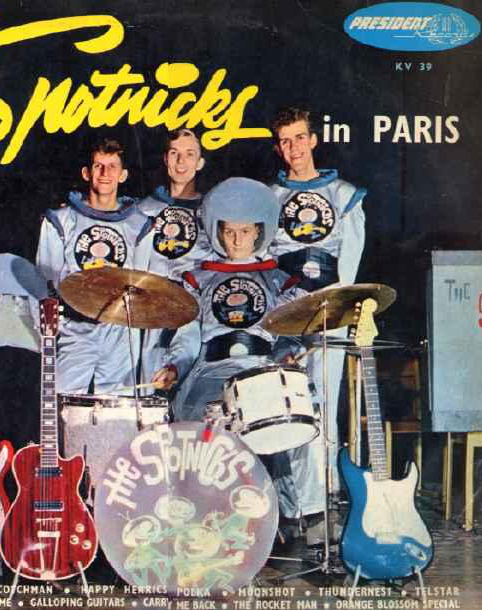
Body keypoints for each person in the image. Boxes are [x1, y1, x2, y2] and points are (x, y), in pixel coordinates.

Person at [151, 178, 327, 543]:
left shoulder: (278, 280)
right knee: (204, 422)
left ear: (258, 232)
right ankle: (206, 516)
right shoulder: (198, 280)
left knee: (300, 421)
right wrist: (174, 367)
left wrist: (287, 356)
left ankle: (305, 515)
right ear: (218, 232)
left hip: (262, 371)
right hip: (211, 373)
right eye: (229, 231)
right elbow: (187, 339)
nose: (236, 239)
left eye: (244, 231)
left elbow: (286, 335)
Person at [269, 107, 366, 544]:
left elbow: (349, 265)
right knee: (283, 403)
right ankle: (288, 504)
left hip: (328, 311)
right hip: (284, 311)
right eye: (285, 141)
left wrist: (339, 310)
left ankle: (321, 502)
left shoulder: (343, 194)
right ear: (278, 148)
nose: (293, 148)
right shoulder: (270, 196)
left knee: (322, 401)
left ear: (313, 140)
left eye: (299, 138)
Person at [36, 138, 152, 395]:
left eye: (112, 166)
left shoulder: (139, 225)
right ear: (86, 173)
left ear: (123, 175)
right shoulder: (61, 220)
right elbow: (46, 280)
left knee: (117, 408)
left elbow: (145, 281)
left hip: (119, 330)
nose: (105, 173)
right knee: (64, 403)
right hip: (73, 326)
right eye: (98, 166)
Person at [137, 129, 213, 390]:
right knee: (149, 389)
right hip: (152, 310)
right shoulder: (144, 209)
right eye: (174, 153)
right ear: (165, 159)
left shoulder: (211, 211)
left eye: (189, 154)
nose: (181, 162)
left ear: (200, 162)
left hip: (195, 311)